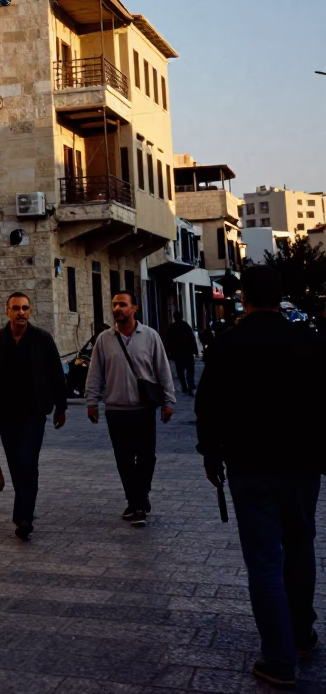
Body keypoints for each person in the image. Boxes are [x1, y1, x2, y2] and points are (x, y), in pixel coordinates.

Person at [195, 265, 325, 690]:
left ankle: (279, 658)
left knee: (265, 559)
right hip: (302, 466)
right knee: (301, 546)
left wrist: (211, 454)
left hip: (250, 467)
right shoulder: (309, 342)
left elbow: (208, 404)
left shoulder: (227, 344)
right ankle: (301, 635)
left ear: (244, 299)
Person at [0, 292, 67, 540]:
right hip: (6, 412)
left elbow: (56, 374)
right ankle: (25, 508)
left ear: (30, 310)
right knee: (16, 463)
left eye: (25, 308)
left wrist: (61, 407)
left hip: (34, 412)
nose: (21, 312)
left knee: (27, 462)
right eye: (16, 308)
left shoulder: (42, 339)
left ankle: (24, 517)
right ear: (7, 311)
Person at [85, 290, 175, 526]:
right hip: (116, 410)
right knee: (124, 460)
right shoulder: (104, 339)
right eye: (115, 304)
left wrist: (169, 401)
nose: (117, 309)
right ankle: (136, 502)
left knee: (146, 458)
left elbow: (162, 369)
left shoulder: (150, 336)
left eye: (123, 304)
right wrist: (91, 401)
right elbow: (95, 373)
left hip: (143, 409)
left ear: (134, 308)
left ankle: (139, 499)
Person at [165, 310, 199, 395]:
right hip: (186, 352)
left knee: (181, 371)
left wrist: (167, 351)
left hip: (178, 352)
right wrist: (195, 350)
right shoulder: (185, 326)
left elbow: (168, 340)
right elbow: (192, 338)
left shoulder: (173, 327)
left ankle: (185, 387)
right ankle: (190, 386)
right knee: (189, 370)